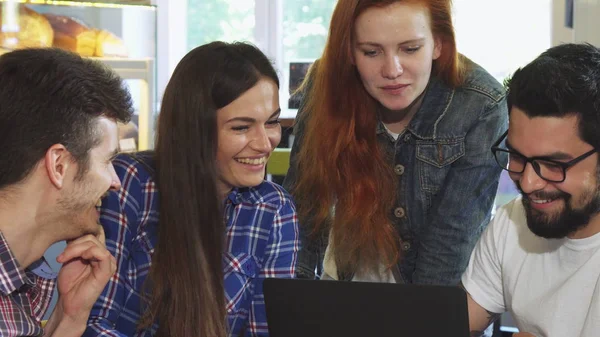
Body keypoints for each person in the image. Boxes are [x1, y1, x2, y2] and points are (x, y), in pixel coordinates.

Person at [84, 41, 300, 337]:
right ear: (194, 128)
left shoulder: (274, 209)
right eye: (241, 127)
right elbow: (93, 321)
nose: (265, 143)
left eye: (272, 122)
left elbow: (265, 330)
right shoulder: (131, 183)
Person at [284, 0, 507, 284]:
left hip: (438, 300)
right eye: (371, 52)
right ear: (350, 51)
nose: (392, 70)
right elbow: (303, 207)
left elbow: (450, 242)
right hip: (344, 292)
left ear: (438, 43)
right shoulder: (326, 83)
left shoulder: (480, 104)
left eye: (410, 49)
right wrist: (291, 307)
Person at [462, 43, 600, 337]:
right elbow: (460, 318)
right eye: (518, 157)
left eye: (552, 164)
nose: (527, 183)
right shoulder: (512, 222)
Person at [0, 48, 133, 336]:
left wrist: (69, 317)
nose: (115, 182)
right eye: (108, 160)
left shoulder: (23, 283)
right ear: (58, 164)